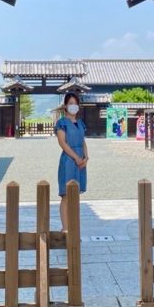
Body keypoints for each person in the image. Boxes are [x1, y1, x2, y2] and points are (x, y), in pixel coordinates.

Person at [55, 92, 88, 232]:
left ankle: (74, 227)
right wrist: (76, 157)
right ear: (65, 106)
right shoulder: (61, 123)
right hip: (69, 160)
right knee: (66, 195)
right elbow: (62, 143)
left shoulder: (80, 123)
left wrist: (86, 157)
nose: (73, 106)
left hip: (81, 161)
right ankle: (65, 228)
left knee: (76, 195)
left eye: (75, 103)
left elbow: (83, 141)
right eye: (71, 103)